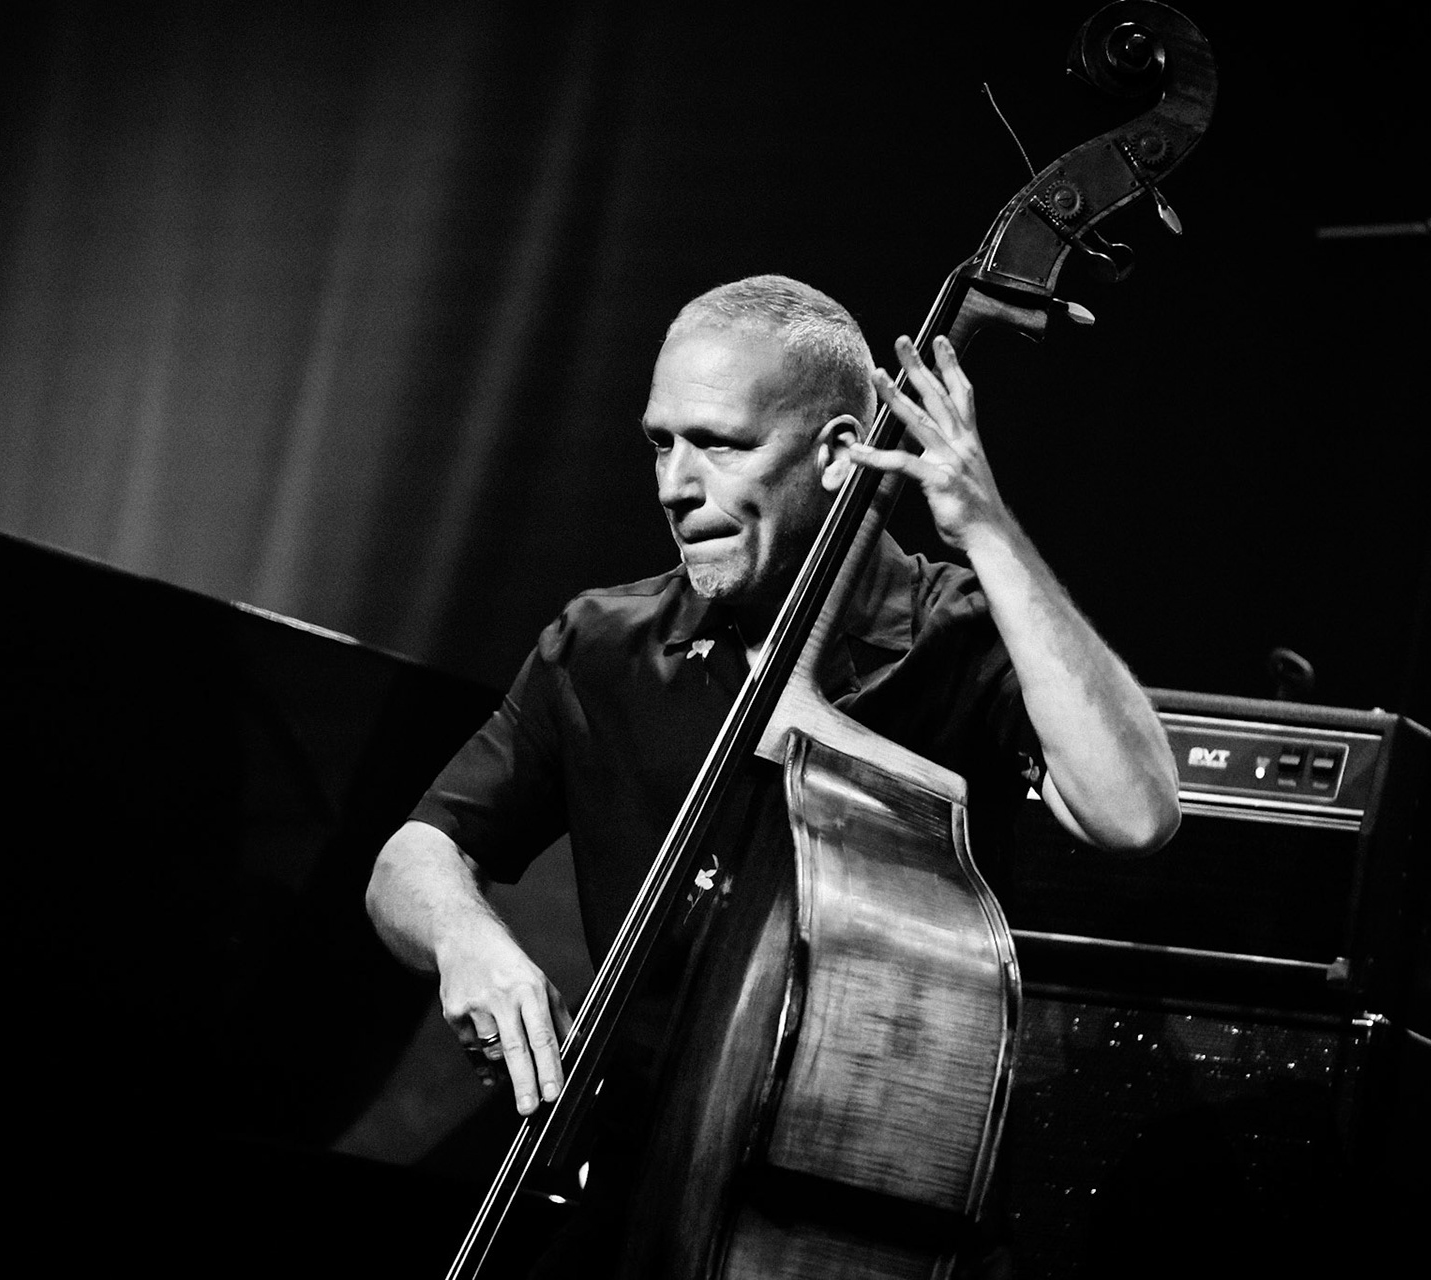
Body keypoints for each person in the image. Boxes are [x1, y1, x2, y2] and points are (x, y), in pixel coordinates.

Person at [364, 274, 1180, 1254]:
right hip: (616, 1203)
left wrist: (990, 534)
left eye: (720, 443)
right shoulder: (603, 645)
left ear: (838, 453)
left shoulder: (956, 635)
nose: (674, 483)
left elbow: (1135, 811)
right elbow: (414, 851)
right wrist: (466, 939)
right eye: (662, 442)